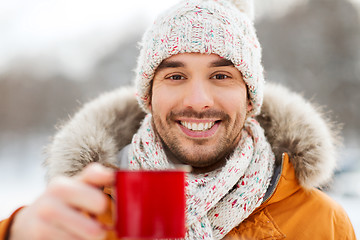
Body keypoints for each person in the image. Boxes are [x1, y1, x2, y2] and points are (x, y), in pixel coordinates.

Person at [0, 0, 356, 239]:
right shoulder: (79, 218)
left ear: (251, 100)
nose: (198, 101)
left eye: (221, 76)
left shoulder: (322, 223)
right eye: (175, 76)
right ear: (148, 98)